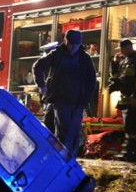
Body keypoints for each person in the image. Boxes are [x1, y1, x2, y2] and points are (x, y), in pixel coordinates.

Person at [32, 29, 97, 157]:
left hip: (78, 102)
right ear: (65, 41)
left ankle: (69, 159)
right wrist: (42, 85)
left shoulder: (85, 58)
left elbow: (91, 81)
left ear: (80, 44)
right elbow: (38, 66)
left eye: (76, 44)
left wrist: (85, 100)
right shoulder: (57, 54)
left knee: (74, 131)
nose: (73, 47)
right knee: (64, 130)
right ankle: (61, 158)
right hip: (60, 100)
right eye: (71, 43)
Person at [108, 39, 136, 161]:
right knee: (129, 126)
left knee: (132, 125)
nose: (121, 52)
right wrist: (114, 63)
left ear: (127, 47)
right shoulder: (124, 62)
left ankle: (132, 152)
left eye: (122, 49)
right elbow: (117, 78)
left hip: (134, 99)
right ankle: (133, 151)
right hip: (126, 100)